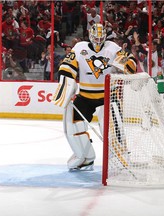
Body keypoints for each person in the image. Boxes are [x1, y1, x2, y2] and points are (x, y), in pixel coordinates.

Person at [52, 23, 137, 171]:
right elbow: (67, 66)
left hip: (108, 96)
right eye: (95, 38)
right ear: (90, 36)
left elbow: (129, 62)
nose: (98, 41)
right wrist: (67, 84)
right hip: (85, 96)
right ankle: (85, 156)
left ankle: (120, 157)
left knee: (113, 128)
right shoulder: (79, 48)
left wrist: (127, 64)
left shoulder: (112, 48)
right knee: (72, 124)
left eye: (101, 38)